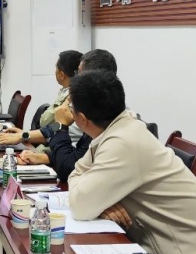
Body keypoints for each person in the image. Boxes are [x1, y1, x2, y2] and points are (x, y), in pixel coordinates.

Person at [66, 70, 196, 254]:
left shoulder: (123, 142)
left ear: (81, 119)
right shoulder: (121, 127)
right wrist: (100, 202)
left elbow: (79, 204)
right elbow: (77, 174)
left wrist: (95, 200)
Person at [11, 48, 119, 181]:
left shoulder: (95, 113)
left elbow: (53, 130)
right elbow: (54, 131)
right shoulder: (73, 97)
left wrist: (25, 136)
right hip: (62, 155)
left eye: (78, 73)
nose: (75, 77)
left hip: (64, 158)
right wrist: (24, 136)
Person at [38, 49, 82, 129]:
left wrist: (26, 134)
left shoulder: (72, 95)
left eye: (56, 68)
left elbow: (45, 122)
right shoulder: (66, 91)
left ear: (62, 75)